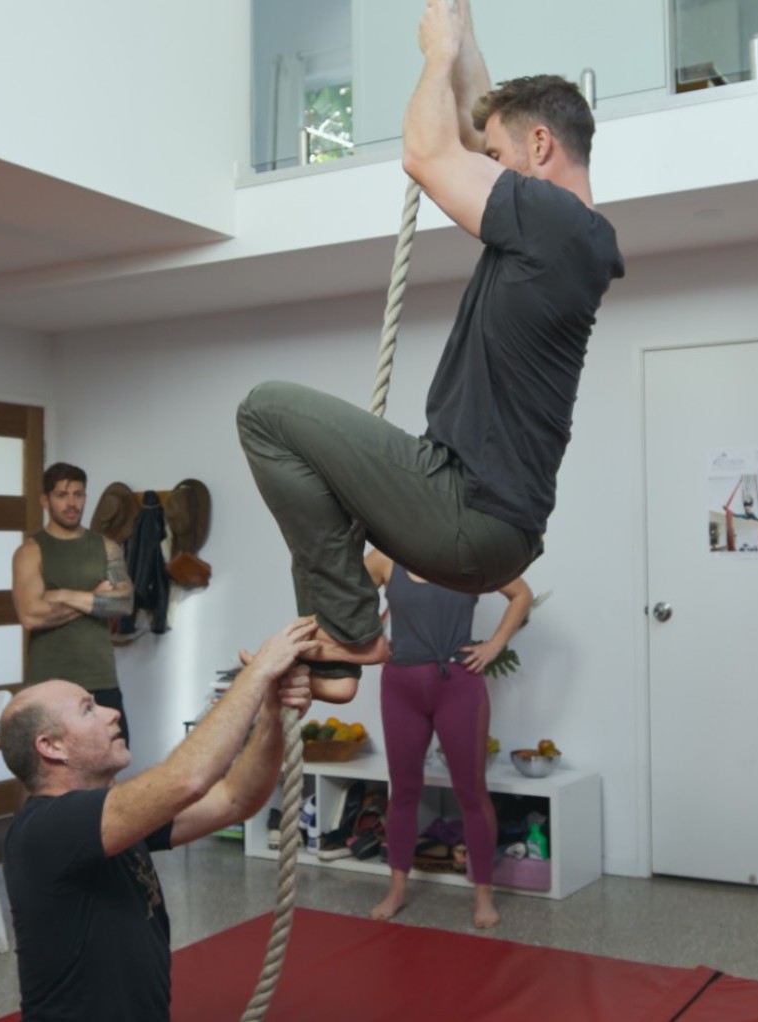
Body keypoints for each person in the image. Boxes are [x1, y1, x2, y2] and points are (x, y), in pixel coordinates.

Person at [237, 0, 624, 704]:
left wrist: (436, 55)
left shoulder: (555, 222)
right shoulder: (571, 236)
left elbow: (427, 154)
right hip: (488, 529)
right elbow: (480, 121)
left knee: (266, 412)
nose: (492, 167)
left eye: (503, 157)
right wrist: (462, 27)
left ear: (540, 147)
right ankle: (337, 659)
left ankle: (351, 631)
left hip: (465, 510)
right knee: (323, 464)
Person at [0, 618, 318, 1022]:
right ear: (52, 747)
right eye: (88, 709)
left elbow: (235, 798)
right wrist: (257, 674)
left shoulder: (112, 816)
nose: (112, 712)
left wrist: (271, 713)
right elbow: (187, 779)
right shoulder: (44, 831)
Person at [363, 548, 534, 929]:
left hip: (458, 686)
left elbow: (521, 594)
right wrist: (371, 640)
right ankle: (396, 891)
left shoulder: (467, 555)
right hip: (400, 687)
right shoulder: (385, 558)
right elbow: (346, 595)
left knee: (471, 791)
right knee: (404, 790)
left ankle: (483, 895)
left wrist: (494, 645)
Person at [12, 462, 135, 742]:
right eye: (62, 495)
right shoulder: (30, 551)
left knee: (111, 759)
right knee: (46, 767)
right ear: (46, 501)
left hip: (101, 679)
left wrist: (62, 595)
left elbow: (124, 603)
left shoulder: (106, 547)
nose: (72, 503)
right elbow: (31, 616)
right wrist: (95, 595)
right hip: (49, 682)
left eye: (78, 494)